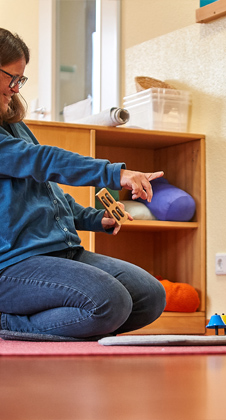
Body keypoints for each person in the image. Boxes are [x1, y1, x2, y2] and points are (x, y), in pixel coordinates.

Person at [0, 28, 166, 339]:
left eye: (19, 80)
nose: (15, 88)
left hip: (59, 251)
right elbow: (42, 161)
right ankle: (8, 323)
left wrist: (93, 218)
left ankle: (65, 325)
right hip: (10, 266)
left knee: (150, 296)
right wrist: (115, 174)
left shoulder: (14, 125)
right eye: (11, 78)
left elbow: (46, 192)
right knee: (109, 301)